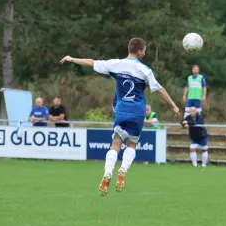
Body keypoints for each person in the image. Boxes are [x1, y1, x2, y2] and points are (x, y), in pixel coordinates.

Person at [60, 37, 180, 196]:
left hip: (122, 108)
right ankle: (123, 169)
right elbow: (159, 89)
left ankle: (108, 172)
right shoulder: (145, 70)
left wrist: (72, 59)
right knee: (132, 144)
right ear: (139, 52)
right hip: (138, 110)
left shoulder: (115, 64)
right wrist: (173, 105)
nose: (144, 52)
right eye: (144, 50)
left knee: (116, 143)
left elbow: (91, 62)